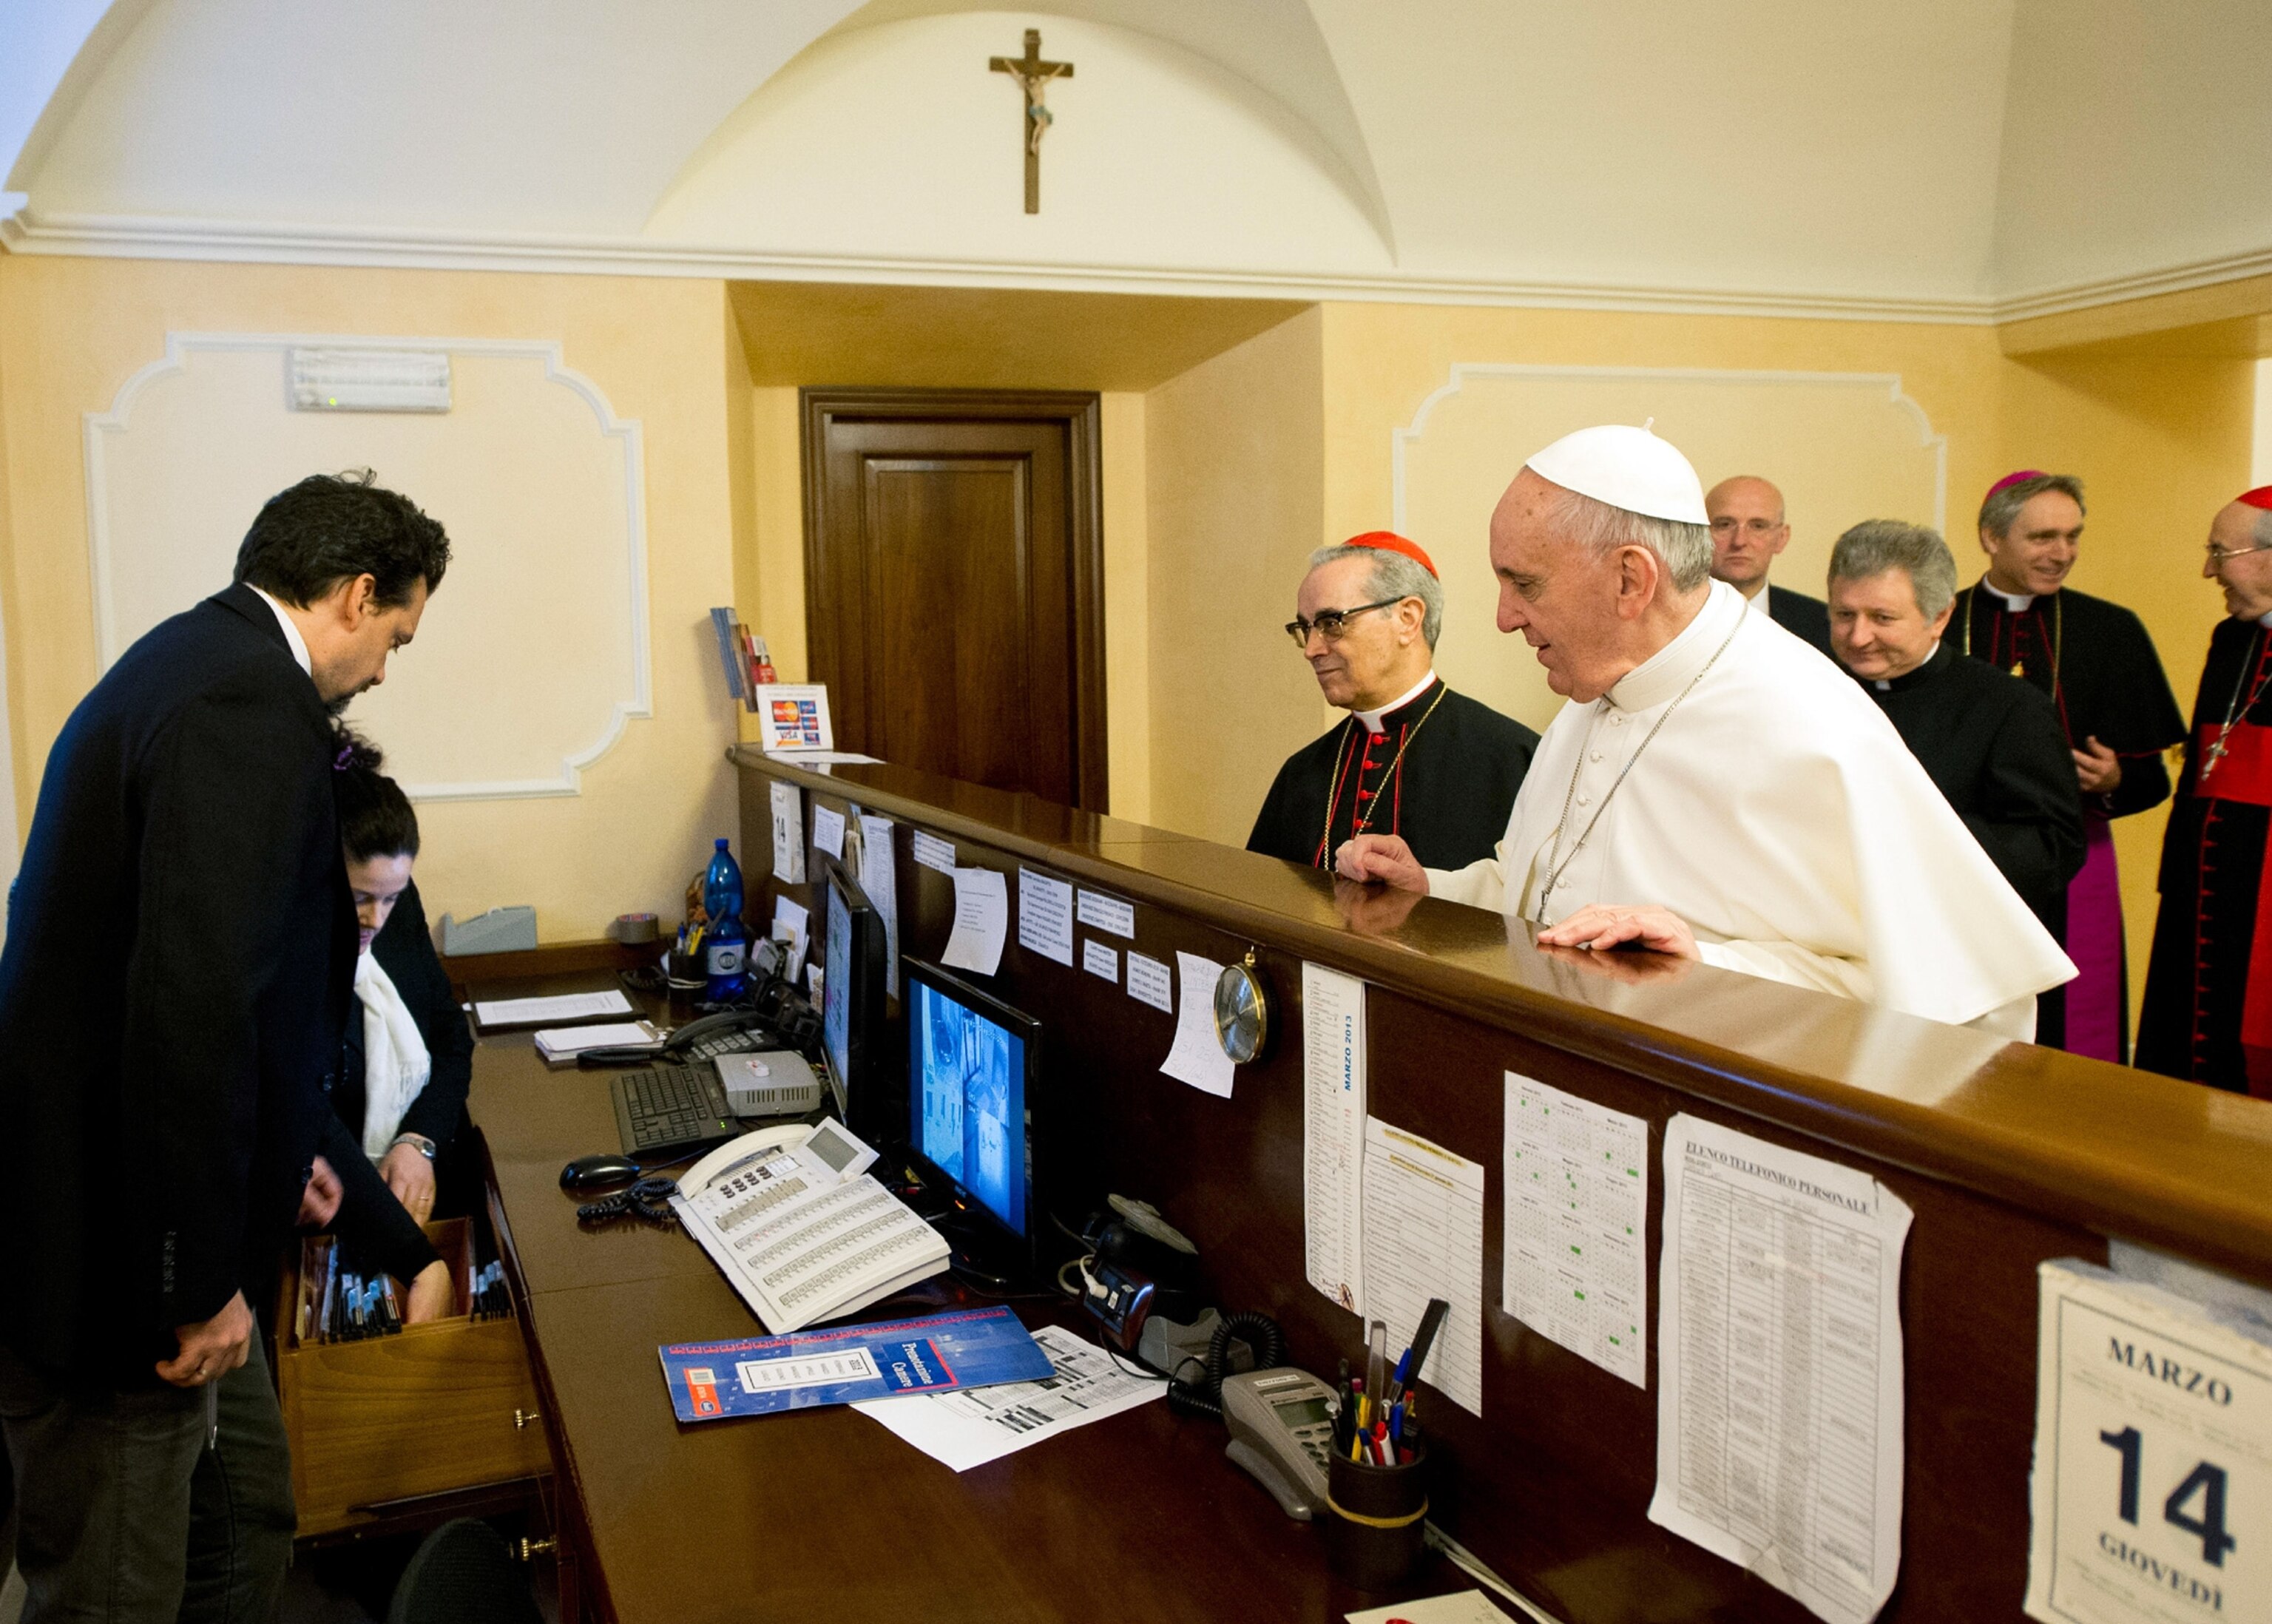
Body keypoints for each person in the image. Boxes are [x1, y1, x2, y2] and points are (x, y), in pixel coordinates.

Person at [0, 470, 449, 1623]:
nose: (387, 668)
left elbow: (235, 1003)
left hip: (174, 1233)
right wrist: (196, 1287)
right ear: (356, 596)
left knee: (244, 1529)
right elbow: (193, 1015)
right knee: (116, 1589)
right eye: (397, 634)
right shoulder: (247, 704)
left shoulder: (191, 660)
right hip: (129, 1274)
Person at [1335, 424, 2073, 1039]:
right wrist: (1435, 888)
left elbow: (1956, 1007)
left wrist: (1706, 965)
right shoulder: (1595, 696)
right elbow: (1553, 898)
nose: (1504, 617)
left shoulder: (1810, 728)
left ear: (1632, 580)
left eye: (1524, 583)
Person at [1950, 471, 2185, 1058]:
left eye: (2072, 537)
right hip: (1959, 855)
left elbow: (2153, 779)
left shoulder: (2111, 630)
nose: (2061, 554)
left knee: (2071, 1027)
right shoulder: (1943, 622)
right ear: (1991, 537)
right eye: (2043, 538)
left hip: (2072, 857)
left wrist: (2115, 781)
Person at [1827, 520, 2086, 944]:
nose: (1859, 637)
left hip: (1953, 938)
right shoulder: (1809, 686)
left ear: (1940, 616)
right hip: (1833, 932)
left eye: (1882, 618)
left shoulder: (2009, 708)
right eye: (1844, 615)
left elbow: (2052, 846)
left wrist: (1911, 840)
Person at [1248, 532, 1538, 871]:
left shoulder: (1514, 759)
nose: (1312, 649)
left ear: (1408, 619)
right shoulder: (1300, 774)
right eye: (1305, 628)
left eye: (1331, 623)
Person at [314, 728, 473, 1308]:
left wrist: (419, 1140)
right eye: (361, 897)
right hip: (338, 1209)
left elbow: (452, 1042)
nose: (375, 918)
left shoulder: (396, 912)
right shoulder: (299, 970)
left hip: (420, 1184)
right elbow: (310, 1118)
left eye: (391, 897)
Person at [2137, 486, 2272, 1092]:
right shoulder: (2231, 639)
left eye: (2222, 552)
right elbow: (2201, 764)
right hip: (2205, 879)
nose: (2208, 569)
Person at [1706, 475, 1833, 657]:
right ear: (1699, 534)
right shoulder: (1663, 617)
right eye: (1724, 525)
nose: (1739, 541)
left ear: (1782, 538)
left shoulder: (1821, 623)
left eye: (1758, 526)